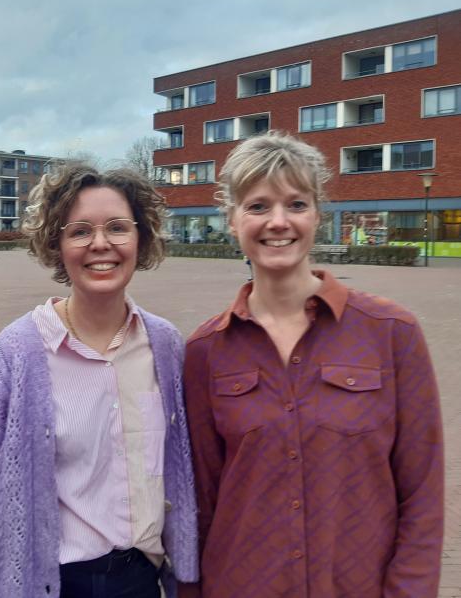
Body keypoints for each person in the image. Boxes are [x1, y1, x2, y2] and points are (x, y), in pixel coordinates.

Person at [183, 132, 443, 597]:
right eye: (258, 206)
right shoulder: (206, 350)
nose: (278, 222)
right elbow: (201, 501)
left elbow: (422, 492)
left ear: (318, 214)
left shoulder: (391, 332)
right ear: (231, 219)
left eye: (296, 204)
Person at [0, 163, 198, 597]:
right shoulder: (15, 353)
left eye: (117, 228)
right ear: (56, 243)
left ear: (141, 238)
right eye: (80, 231)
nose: (101, 244)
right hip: (49, 583)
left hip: (140, 581)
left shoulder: (166, 347)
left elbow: (185, 470)